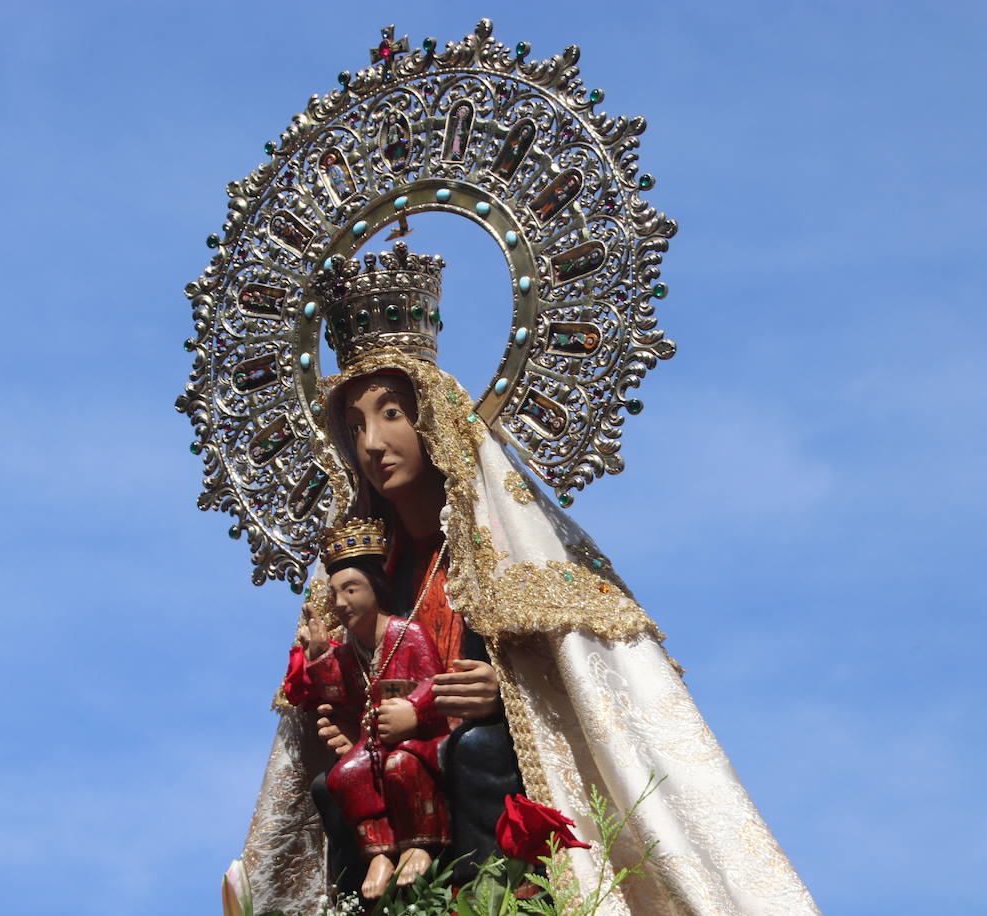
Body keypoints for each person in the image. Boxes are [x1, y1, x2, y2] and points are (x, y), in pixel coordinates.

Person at [239, 244, 820, 915]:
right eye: (355, 424)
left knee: (478, 751)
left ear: (436, 419)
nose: (372, 443)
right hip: (393, 794)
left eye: (391, 413)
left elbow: (577, 696)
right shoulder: (362, 571)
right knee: (332, 788)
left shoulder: (509, 549)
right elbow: (319, 727)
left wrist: (503, 690)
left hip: (482, 784)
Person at [282, 519, 449, 897]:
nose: (342, 604)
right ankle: (379, 852)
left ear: (376, 588)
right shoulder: (351, 650)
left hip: (419, 739)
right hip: (374, 741)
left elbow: (432, 683)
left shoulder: (408, 634)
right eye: (336, 593)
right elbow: (340, 692)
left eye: (352, 589)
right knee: (344, 776)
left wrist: (413, 711)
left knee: (400, 766)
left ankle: (419, 844)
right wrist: (320, 653)